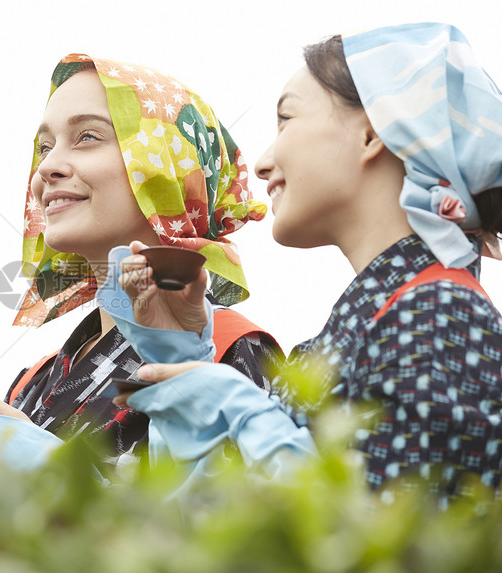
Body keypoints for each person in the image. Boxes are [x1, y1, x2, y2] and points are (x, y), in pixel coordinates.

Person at [0, 54, 281, 514]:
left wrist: (62, 486)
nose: (48, 168)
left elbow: (232, 543)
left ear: (165, 164)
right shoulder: (33, 382)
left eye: (87, 137)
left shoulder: (229, 350)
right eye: (45, 147)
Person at [109, 22, 502, 501]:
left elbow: (399, 546)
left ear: (374, 133)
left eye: (286, 120)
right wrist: (181, 353)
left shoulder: (438, 317)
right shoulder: (383, 318)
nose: (261, 162)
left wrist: (242, 413)